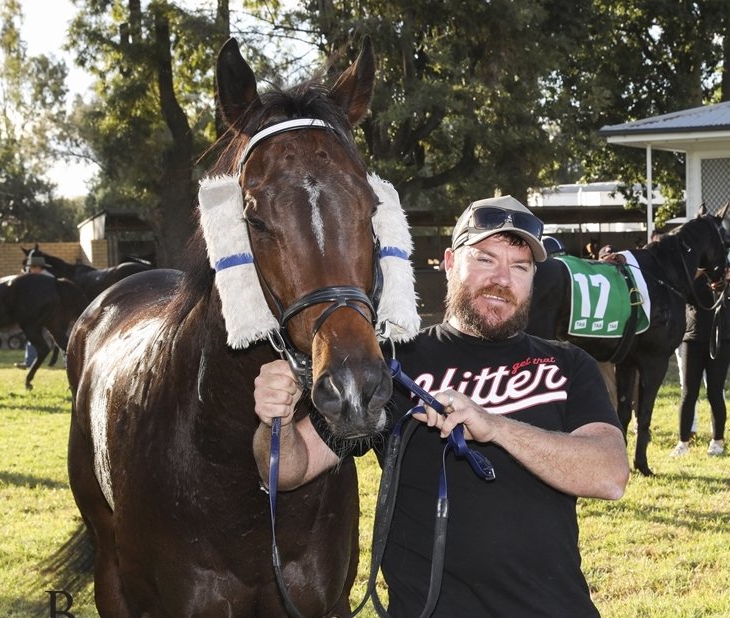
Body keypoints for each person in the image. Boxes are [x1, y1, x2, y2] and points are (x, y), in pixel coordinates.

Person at [253, 195, 630, 616]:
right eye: (486, 259)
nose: (502, 279)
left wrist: (496, 427)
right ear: (450, 262)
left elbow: (609, 475)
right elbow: (289, 469)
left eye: (519, 267)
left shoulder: (567, 363)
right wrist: (278, 420)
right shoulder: (395, 363)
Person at [670, 268, 729, 457]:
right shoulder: (690, 273)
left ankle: (717, 440)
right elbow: (677, 291)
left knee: (715, 391)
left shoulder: (723, 274)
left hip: (720, 339)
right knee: (688, 393)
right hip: (692, 339)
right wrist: (695, 272)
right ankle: (683, 442)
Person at [15, 255, 53, 370]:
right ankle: (29, 362)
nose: (30, 270)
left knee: (57, 339)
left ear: (37, 267)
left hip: (48, 312)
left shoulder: (47, 279)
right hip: (39, 313)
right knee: (32, 335)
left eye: (31, 267)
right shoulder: (36, 278)